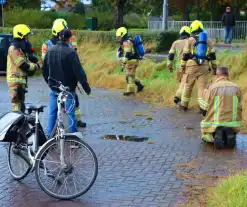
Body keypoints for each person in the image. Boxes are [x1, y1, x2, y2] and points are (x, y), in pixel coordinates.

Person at [42, 25, 91, 137]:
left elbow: (44, 71)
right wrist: (85, 86)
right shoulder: (71, 52)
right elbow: (79, 71)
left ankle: (50, 137)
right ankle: (73, 137)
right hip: (68, 89)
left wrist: (50, 83)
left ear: (59, 37)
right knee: (70, 114)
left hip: (54, 88)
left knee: (53, 113)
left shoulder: (50, 51)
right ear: (69, 39)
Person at [179, 20, 217, 112]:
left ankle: (184, 106)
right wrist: (214, 68)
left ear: (192, 28)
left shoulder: (190, 40)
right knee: (202, 88)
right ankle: (203, 108)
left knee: (188, 86)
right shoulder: (207, 40)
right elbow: (213, 56)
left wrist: (182, 66)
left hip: (191, 67)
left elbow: (185, 55)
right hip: (204, 66)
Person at [200, 66, 242, 147]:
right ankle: (230, 133)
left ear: (217, 75)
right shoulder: (237, 87)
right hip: (233, 122)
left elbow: (204, 109)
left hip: (216, 121)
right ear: (228, 74)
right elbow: (240, 106)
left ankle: (211, 137)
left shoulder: (212, 87)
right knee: (230, 126)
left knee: (204, 125)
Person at [7, 24, 39, 112]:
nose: (27, 38)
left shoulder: (19, 48)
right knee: (17, 109)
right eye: (26, 36)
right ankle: (15, 126)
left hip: (20, 82)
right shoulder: (14, 49)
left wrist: (30, 52)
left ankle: (20, 125)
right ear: (20, 35)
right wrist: (36, 66)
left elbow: (29, 59)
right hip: (15, 83)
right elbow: (23, 65)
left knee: (21, 108)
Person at [116, 27, 144, 96]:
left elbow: (127, 54)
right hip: (133, 60)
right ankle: (140, 85)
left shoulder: (126, 42)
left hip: (131, 61)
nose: (118, 39)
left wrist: (123, 63)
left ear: (122, 35)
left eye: (119, 37)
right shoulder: (129, 40)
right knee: (131, 75)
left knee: (129, 76)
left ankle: (130, 92)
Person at [167, 26, 191, 105]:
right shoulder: (190, 41)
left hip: (178, 67)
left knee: (181, 82)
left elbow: (170, 56)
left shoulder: (175, 42)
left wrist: (169, 66)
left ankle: (179, 98)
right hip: (188, 66)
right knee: (185, 83)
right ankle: (178, 97)